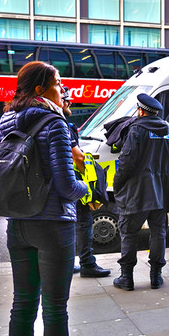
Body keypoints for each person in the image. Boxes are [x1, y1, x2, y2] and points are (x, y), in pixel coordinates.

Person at [0, 61, 89, 336]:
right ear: (40, 90)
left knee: (22, 303)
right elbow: (66, 187)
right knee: (54, 307)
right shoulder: (54, 123)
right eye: (58, 83)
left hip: (17, 223)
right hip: (53, 226)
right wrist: (85, 182)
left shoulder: (7, 121)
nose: (62, 89)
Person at [112, 94, 169, 291]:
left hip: (138, 192)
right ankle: (156, 276)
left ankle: (126, 278)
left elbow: (126, 162)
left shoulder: (137, 129)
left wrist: (117, 184)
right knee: (159, 232)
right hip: (162, 192)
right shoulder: (168, 129)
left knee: (128, 233)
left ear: (141, 110)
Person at [61, 90, 110, 279]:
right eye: (66, 100)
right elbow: (78, 156)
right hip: (73, 180)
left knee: (68, 223)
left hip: (60, 182)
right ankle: (87, 263)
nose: (70, 103)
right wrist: (92, 182)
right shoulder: (62, 125)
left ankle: (67, 262)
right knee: (84, 222)